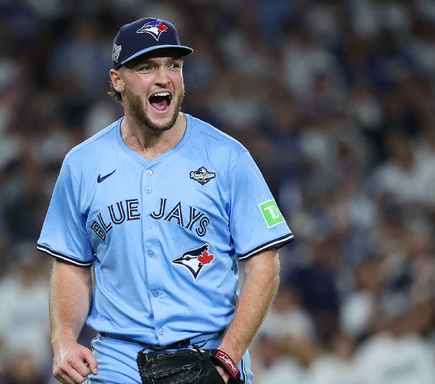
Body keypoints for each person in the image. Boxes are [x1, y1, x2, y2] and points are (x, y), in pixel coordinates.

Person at [36, 17, 294, 384]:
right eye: (146, 67)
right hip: (117, 362)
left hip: (208, 355)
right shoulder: (82, 164)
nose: (164, 78)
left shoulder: (227, 157)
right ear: (117, 80)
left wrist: (229, 356)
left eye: (173, 65)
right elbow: (72, 266)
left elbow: (263, 263)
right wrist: (62, 339)